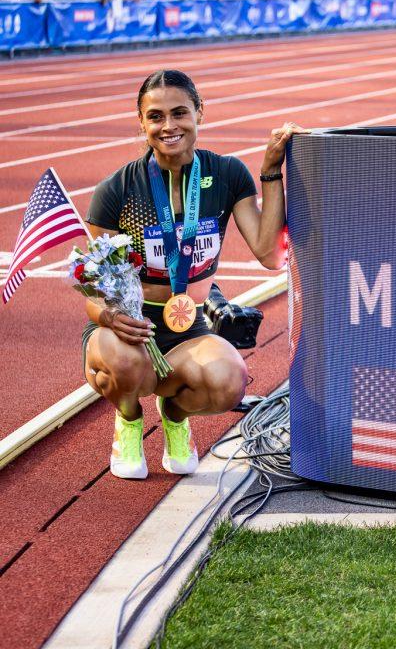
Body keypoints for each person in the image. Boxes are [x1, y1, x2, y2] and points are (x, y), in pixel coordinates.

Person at [83, 70, 308, 480]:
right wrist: (110, 318)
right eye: (155, 116)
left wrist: (272, 172)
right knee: (124, 360)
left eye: (179, 113)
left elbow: (269, 254)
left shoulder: (226, 175)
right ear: (141, 122)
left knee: (229, 380)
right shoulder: (116, 191)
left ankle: (173, 414)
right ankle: (130, 421)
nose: (168, 126)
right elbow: (94, 292)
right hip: (127, 330)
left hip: (190, 325)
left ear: (200, 113)